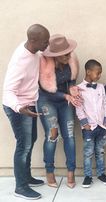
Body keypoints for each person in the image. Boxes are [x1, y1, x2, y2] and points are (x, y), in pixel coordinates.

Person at [2, 24, 50, 200]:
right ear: (33, 40)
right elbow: (8, 91)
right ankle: (20, 187)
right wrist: (20, 108)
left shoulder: (35, 51)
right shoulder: (19, 61)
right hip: (17, 107)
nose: (47, 44)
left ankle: (26, 177)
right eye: (45, 42)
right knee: (24, 145)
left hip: (28, 104)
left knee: (32, 140)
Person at [37, 34, 81, 189]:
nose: (69, 55)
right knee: (52, 135)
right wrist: (66, 95)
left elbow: (71, 82)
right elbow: (46, 90)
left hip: (65, 101)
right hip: (47, 101)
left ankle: (71, 172)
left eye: (69, 52)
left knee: (69, 135)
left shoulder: (70, 61)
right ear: (55, 55)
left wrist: (73, 91)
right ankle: (50, 172)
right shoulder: (44, 65)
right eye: (66, 54)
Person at [76, 59, 106, 188]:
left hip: (101, 126)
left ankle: (101, 174)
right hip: (89, 127)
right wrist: (84, 124)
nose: (99, 75)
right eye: (98, 72)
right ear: (88, 72)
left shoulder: (101, 87)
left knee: (100, 151)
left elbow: (105, 104)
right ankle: (88, 176)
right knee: (88, 152)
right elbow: (79, 108)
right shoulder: (79, 89)